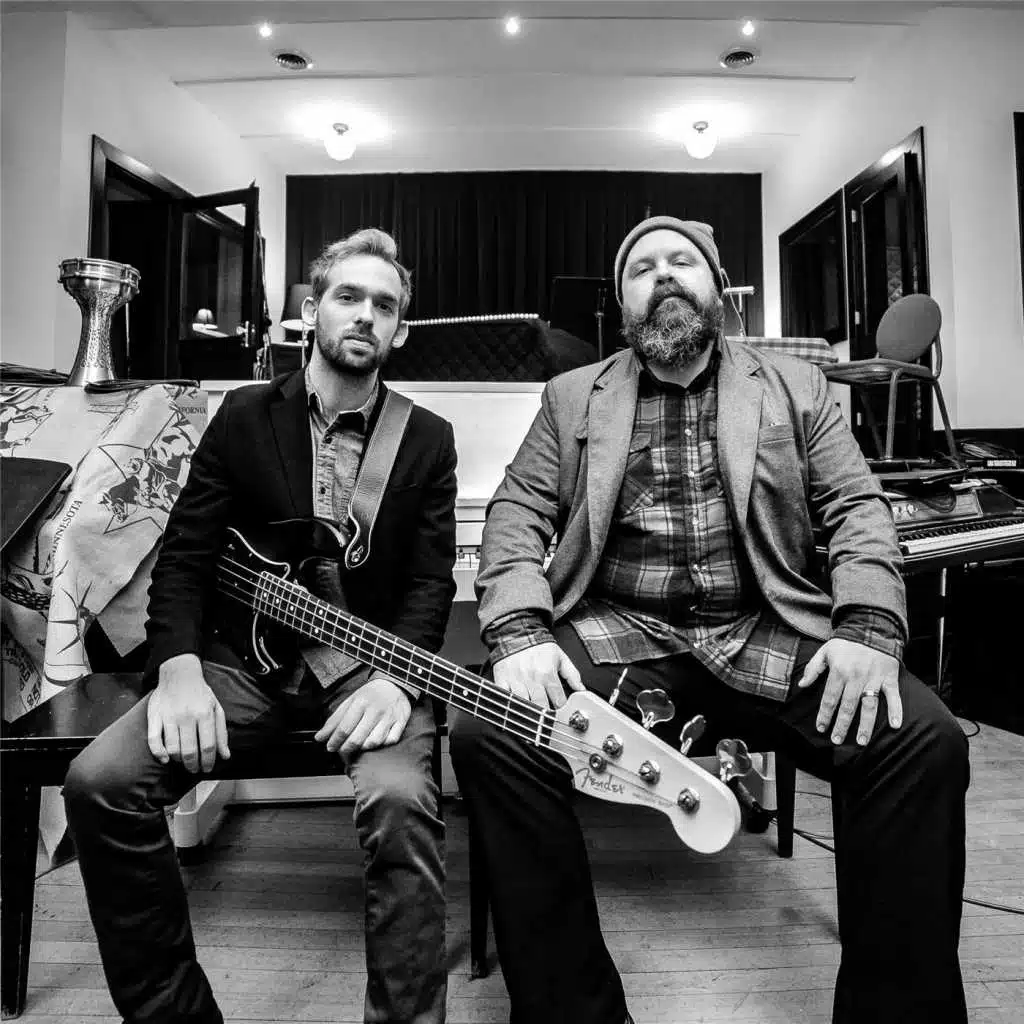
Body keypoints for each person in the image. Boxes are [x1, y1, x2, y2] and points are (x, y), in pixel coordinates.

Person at [450, 216, 969, 1024]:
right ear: (621, 305)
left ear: (718, 287)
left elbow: (858, 508)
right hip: (624, 636)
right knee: (495, 729)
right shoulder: (572, 396)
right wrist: (520, 634)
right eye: (641, 268)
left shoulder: (797, 387)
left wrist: (868, 629)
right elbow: (515, 517)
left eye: (681, 261)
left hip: (767, 629)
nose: (663, 275)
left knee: (921, 742)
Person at [64, 228, 457, 1024]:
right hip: (238, 666)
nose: (365, 315)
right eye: (348, 296)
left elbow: (428, 585)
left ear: (399, 331)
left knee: (401, 803)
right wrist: (177, 670)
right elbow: (185, 555)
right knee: (100, 783)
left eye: (384, 306)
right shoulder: (243, 415)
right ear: (314, 311)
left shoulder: (426, 438)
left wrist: (397, 680)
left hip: (367, 674)